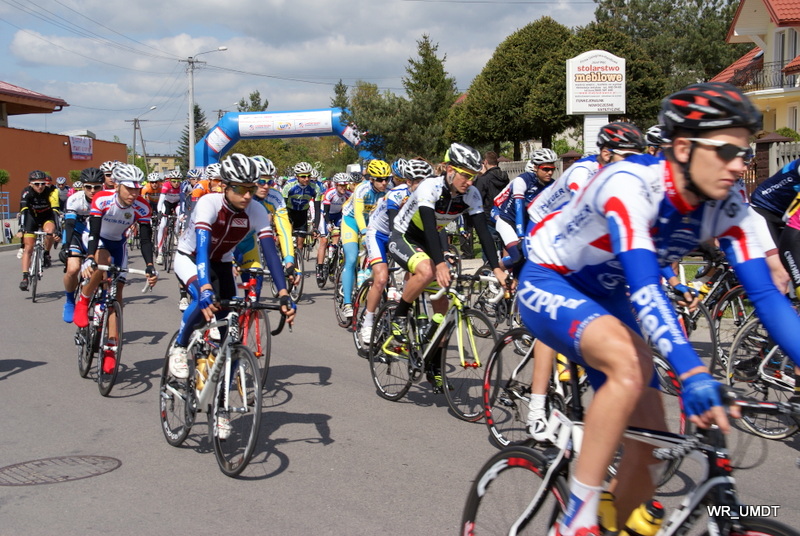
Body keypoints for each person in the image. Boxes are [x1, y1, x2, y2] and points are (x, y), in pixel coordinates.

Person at [518, 82, 800, 536]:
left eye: (745, 153)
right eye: (727, 151)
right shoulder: (630, 184)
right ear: (684, 148)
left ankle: (607, 524)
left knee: (650, 448)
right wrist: (692, 372)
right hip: (553, 279)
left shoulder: (727, 204)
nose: (739, 165)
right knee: (629, 363)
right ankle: (576, 521)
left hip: (608, 298)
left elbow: (768, 297)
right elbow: (646, 287)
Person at [523, 123, 647, 441]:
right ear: (605, 154)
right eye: (628, 157)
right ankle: (537, 406)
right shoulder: (583, 172)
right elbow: (595, 217)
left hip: (573, 235)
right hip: (541, 231)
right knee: (554, 319)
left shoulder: (623, 179)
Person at [167, 154, 296, 440]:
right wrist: (204, 287)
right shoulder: (209, 203)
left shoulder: (257, 210)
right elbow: (202, 250)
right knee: (204, 301)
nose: (247, 195)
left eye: (251, 188)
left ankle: (221, 408)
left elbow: (270, 253)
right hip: (191, 258)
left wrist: (283, 293)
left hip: (223, 262)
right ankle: (180, 346)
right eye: (240, 188)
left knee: (230, 338)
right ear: (225, 186)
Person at [388, 143, 507, 389]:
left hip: (429, 241)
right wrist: (440, 262)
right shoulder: (429, 187)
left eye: (473, 176)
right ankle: (399, 315)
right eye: (465, 175)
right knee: (428, 271)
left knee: (442, 311)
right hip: (405, 236)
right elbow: (430, 228)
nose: (470, 181)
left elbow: (484, 233)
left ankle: (433, 364)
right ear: (450, 170)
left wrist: (497, 268)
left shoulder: (471, 194)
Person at [73, 164, 158, 374]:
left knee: (116, 295)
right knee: (103, 261)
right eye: (129, 188)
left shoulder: (142, 207)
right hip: (96, 239)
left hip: (118, 243)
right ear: (118, 186)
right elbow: (94, 232)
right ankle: (84, 299)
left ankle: (111, 347)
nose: (134, 194)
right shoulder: (102, 199)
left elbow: (145, 240)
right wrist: (90, 257)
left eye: (137, 189)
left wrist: (150, 266)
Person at [360, 159, 431, 345]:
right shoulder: (396, 194)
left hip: (404, 234)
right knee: (381, 278)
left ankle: (403, 303)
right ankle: (368, 321)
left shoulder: (429, 195)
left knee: (417, 269)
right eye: (419, 182)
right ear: (409, 182)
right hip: (379, 233)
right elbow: (393, 225)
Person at [235, 155, 298, 298]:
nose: (266, 186)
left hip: (249, 245)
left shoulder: (275, 197)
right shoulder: (236, 195)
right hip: (228, 246)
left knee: (254, 291)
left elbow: (284, 230)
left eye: (270, 182)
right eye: (261, 181)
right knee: (225, 293)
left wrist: (289, 261)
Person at [339, 159, 391, 319]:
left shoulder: (389, 190)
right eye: (380, 180)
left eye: (387, 179)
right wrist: (363, 233)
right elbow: (359, 213)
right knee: (352, 258)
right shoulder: (362, 188)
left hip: (372, 223)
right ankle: (347, 303)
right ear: (371, 179)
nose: (384, 183)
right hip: (352, 221)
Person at [493, 148, 558, 271]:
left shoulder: (552, 185)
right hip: (508, 221)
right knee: (518, 256)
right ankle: (495, 270)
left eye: (552, 169)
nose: (550, 172)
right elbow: (519, 208)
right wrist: (521, 236)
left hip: (527, 222)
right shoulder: (522, 180)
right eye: (546, 169)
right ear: (535, 167)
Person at [61, 167, 104, 322]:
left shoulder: (106, 200)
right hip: (77, 235)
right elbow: (69, 225)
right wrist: (66, 246)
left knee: (103, 269)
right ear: (82, 186)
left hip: (97, 236)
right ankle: (69, 301)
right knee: (73, 269)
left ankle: (100, 300)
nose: (92, 191)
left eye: (96, 187)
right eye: (88, 187)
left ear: (102, 186)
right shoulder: (75, 199)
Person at [19, 170, 60, 290]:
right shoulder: (26, 192)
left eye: (43, 183)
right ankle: (25, 277)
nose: (40, 186)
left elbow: (55, 212)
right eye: (37, 184)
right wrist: (22, 227)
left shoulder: (51, 192)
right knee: (28, 248)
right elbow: (23, 211)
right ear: (30, 184)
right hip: (31, 218)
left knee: (49, 231)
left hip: (47, 217)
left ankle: (46, 253)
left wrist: (57, 229)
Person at [315, 172, 352, 286]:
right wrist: (327, 223)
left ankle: (333, 261)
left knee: (337, 238)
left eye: (345, 185)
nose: (343, 188)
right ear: (336, 185)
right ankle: (320, 269)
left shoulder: (349, 194)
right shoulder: (330, 193)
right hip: (326, 215)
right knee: (324, 241)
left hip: (338, 215)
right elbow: (325, 211)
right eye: (341, 185)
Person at [282, 162, 324, 254]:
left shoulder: (315, 188)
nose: (307, 179)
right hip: (289, 212)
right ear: (297, 176)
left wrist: (316, 228)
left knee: (300, 245)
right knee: (284, 240)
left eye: (309, 176)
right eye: (303, 176)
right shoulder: (289, 186)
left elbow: (317, 209)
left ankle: (298, 262)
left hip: (302, 214)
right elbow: (282, 206)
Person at [474, 151, 509, 247]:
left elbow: (477, 198)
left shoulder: (484, 179)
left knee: (488, 245)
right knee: (504, 244)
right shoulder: (504, 176)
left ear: (485, 162)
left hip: (488, 216)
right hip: (503, 214)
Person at [155, 171, 182, 265]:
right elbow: (161, 201)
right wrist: (159, 212)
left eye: (178, 181)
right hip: (166, 204)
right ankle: (160, 253)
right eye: (174, 181)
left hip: (177, 204)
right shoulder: (166, 185)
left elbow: (183, 201)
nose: (176, 183)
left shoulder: (182, 187)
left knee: (179, 215)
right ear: (170, 181)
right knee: (162, 226)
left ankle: (176, 234)